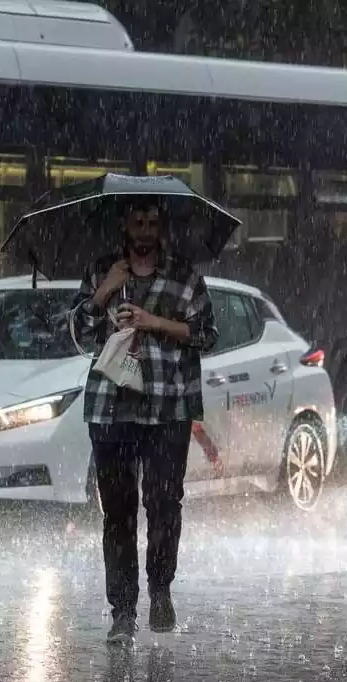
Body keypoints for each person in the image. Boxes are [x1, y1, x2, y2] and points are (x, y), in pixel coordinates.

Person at [70, 199, 219, 645]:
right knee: (117, 513)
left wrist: (153, 321)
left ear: (162, 227)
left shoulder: (185, 276)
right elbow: (78, 335)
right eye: (137, 221)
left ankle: (160, 588)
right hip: (110, 409)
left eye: (153, 223)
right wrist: (104, 293)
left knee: (164, 505)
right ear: (124, 224)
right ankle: (122, 611)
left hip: (167, 408)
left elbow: (207, 335)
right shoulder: (103, 271)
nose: (145, 230)